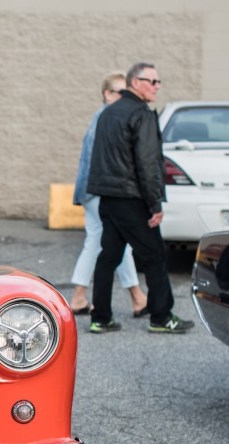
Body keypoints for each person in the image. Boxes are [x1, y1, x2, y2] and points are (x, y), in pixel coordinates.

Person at [87, 62, 193, 334]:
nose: (157, 86)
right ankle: (161, 317)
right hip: (133, 200)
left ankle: (101, 317)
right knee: (155, 256)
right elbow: (147, 163)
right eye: (152, 81)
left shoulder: (108, 114)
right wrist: (155, 204)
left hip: (108, 199)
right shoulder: (141, 114)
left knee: (108, 256)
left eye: (159, 81)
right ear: (135, 82)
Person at [68, 73, 147, 317]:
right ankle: (137, 298)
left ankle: (80, 296)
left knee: (97, 241)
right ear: (107, 94)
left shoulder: (102, 117)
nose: (125, 98)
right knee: (116, 241)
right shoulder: (106, 118)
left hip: (92, 190)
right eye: (119, 92)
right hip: (100, 190)